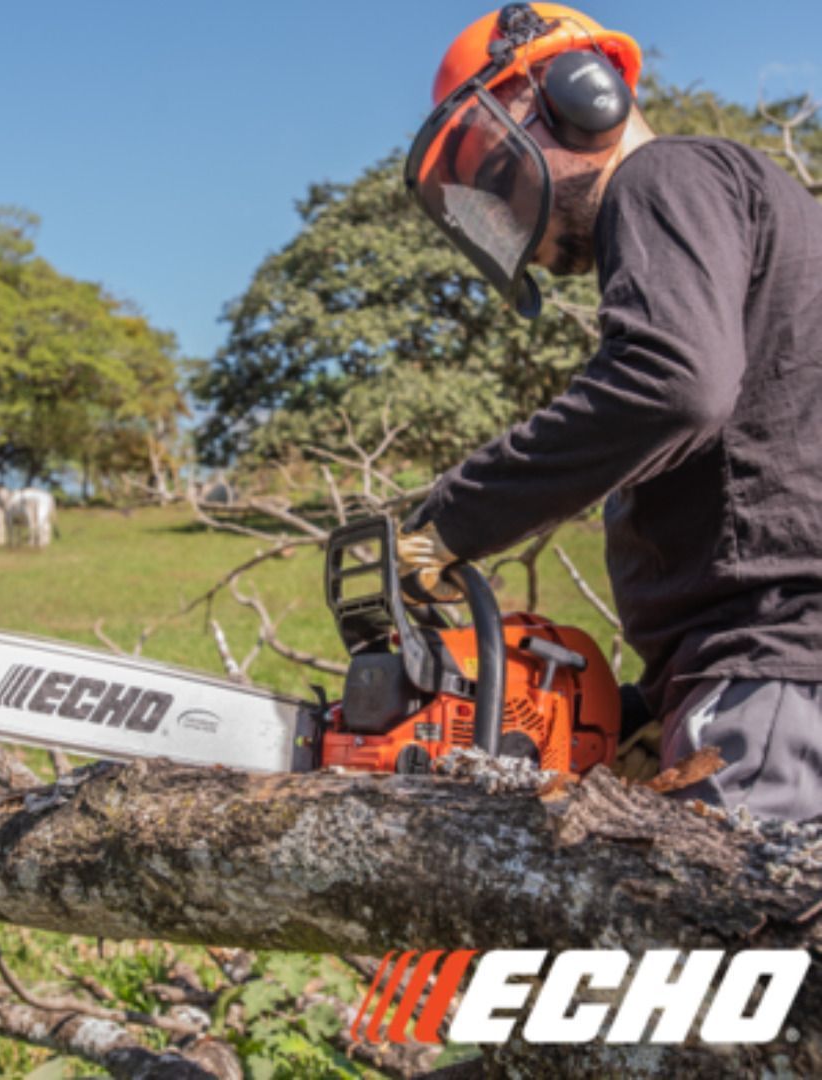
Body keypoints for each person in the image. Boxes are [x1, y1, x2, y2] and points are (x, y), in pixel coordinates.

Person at [397, 2, 822, 821]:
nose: (501, 200)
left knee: (734, 944)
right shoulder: (743, 214)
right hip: (774, 667)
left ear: (579, 90)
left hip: (774, 665)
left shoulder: (667, 177)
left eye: (496, 168)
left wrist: (450, 520)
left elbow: (671, 383)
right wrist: (649, 708)